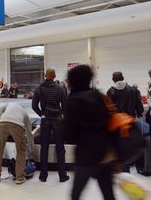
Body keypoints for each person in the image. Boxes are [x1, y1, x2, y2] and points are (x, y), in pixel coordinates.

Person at [64, 65, 115, 200]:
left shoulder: (72, 101)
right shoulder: (99, 96)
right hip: (105, 153)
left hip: (85, 156)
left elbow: (69, 135)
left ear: (73, 81)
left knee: (76, 194)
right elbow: (110, 121)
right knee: (108, 194)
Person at [32, 68, 69, 183]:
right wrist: (61, 115)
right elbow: (65, 106)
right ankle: (62, 175)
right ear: (55, 76)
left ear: (45, 75)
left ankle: (43, 176)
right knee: (60, 148)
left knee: (44, 148)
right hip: (57, 120)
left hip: (45, 120)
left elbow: (34, 105)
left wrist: (42, 114)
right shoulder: (60, 88)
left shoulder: (39, 88)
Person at [0, 102, 34, 184]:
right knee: (21, 151)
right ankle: (19, 178)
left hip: (2, 123)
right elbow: (29, 132)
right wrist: (31, 148)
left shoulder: (9, 104)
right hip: (17, 126)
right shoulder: (25, 113)